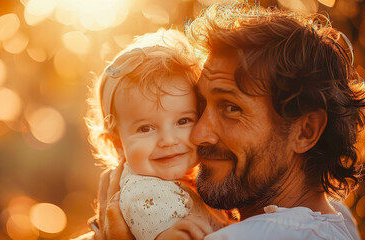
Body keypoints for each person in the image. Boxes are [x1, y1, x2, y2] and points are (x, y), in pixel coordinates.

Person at [93, 3, 364, 240]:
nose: (199, 133)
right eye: (201, 107)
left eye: (231, 108)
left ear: (305, 131)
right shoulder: (336, 215)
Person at [84, 29, 229, 240]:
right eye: (146, 128)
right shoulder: (143, 190)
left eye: (183, 121)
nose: (168, 140)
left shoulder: (185, 181)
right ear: (117, 142)